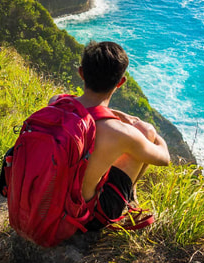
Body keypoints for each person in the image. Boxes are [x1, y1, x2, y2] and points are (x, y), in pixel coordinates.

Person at [59, 41, 171, 230]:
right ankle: (129, 198)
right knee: (146, 133)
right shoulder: (120, 133)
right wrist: (151, 131)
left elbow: (82, 103)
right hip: (86, 218)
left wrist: (117, 114)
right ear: (120, 83)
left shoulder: (56, 103)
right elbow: (164, 159)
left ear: (81, 73)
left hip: (45, 199)